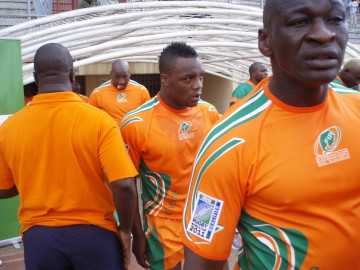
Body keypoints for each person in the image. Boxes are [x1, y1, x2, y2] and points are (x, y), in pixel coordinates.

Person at [183, 0, 360, 269]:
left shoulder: (357, 108)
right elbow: (203, 262)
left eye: (335, 19)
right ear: (265, 41)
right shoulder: (228, 142)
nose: (324, 34)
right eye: (300, 22)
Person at [0, 43, 138, 270]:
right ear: (73, 75)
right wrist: (125, 230)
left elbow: (4, 188)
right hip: (95, 236)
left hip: (39, 239)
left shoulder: (10, 128)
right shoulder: (99, 121)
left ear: (36, 78)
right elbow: (124, 184)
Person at [120, 42, 221, 270]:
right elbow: (128, 184)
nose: (198, 86)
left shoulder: (210, 114)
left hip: (204, 216)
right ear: (165, 79)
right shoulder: (136, 124)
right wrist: (137, 234)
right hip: (162, 225)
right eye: (188, 79)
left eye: (201, 78)